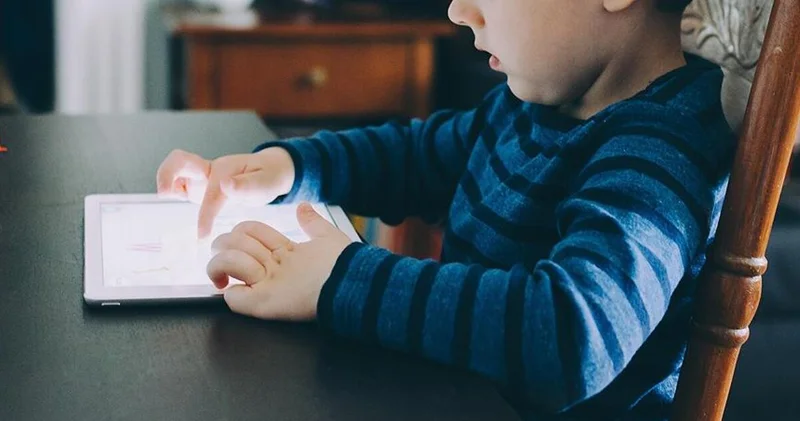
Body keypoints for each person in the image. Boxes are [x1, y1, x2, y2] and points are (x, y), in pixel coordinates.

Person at [156, 0, 735, 419]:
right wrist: (289, 168)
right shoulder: (537, 103)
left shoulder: (662, 147)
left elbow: (571, 336)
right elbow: (415, 157)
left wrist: (341, 276)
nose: (460, 10)